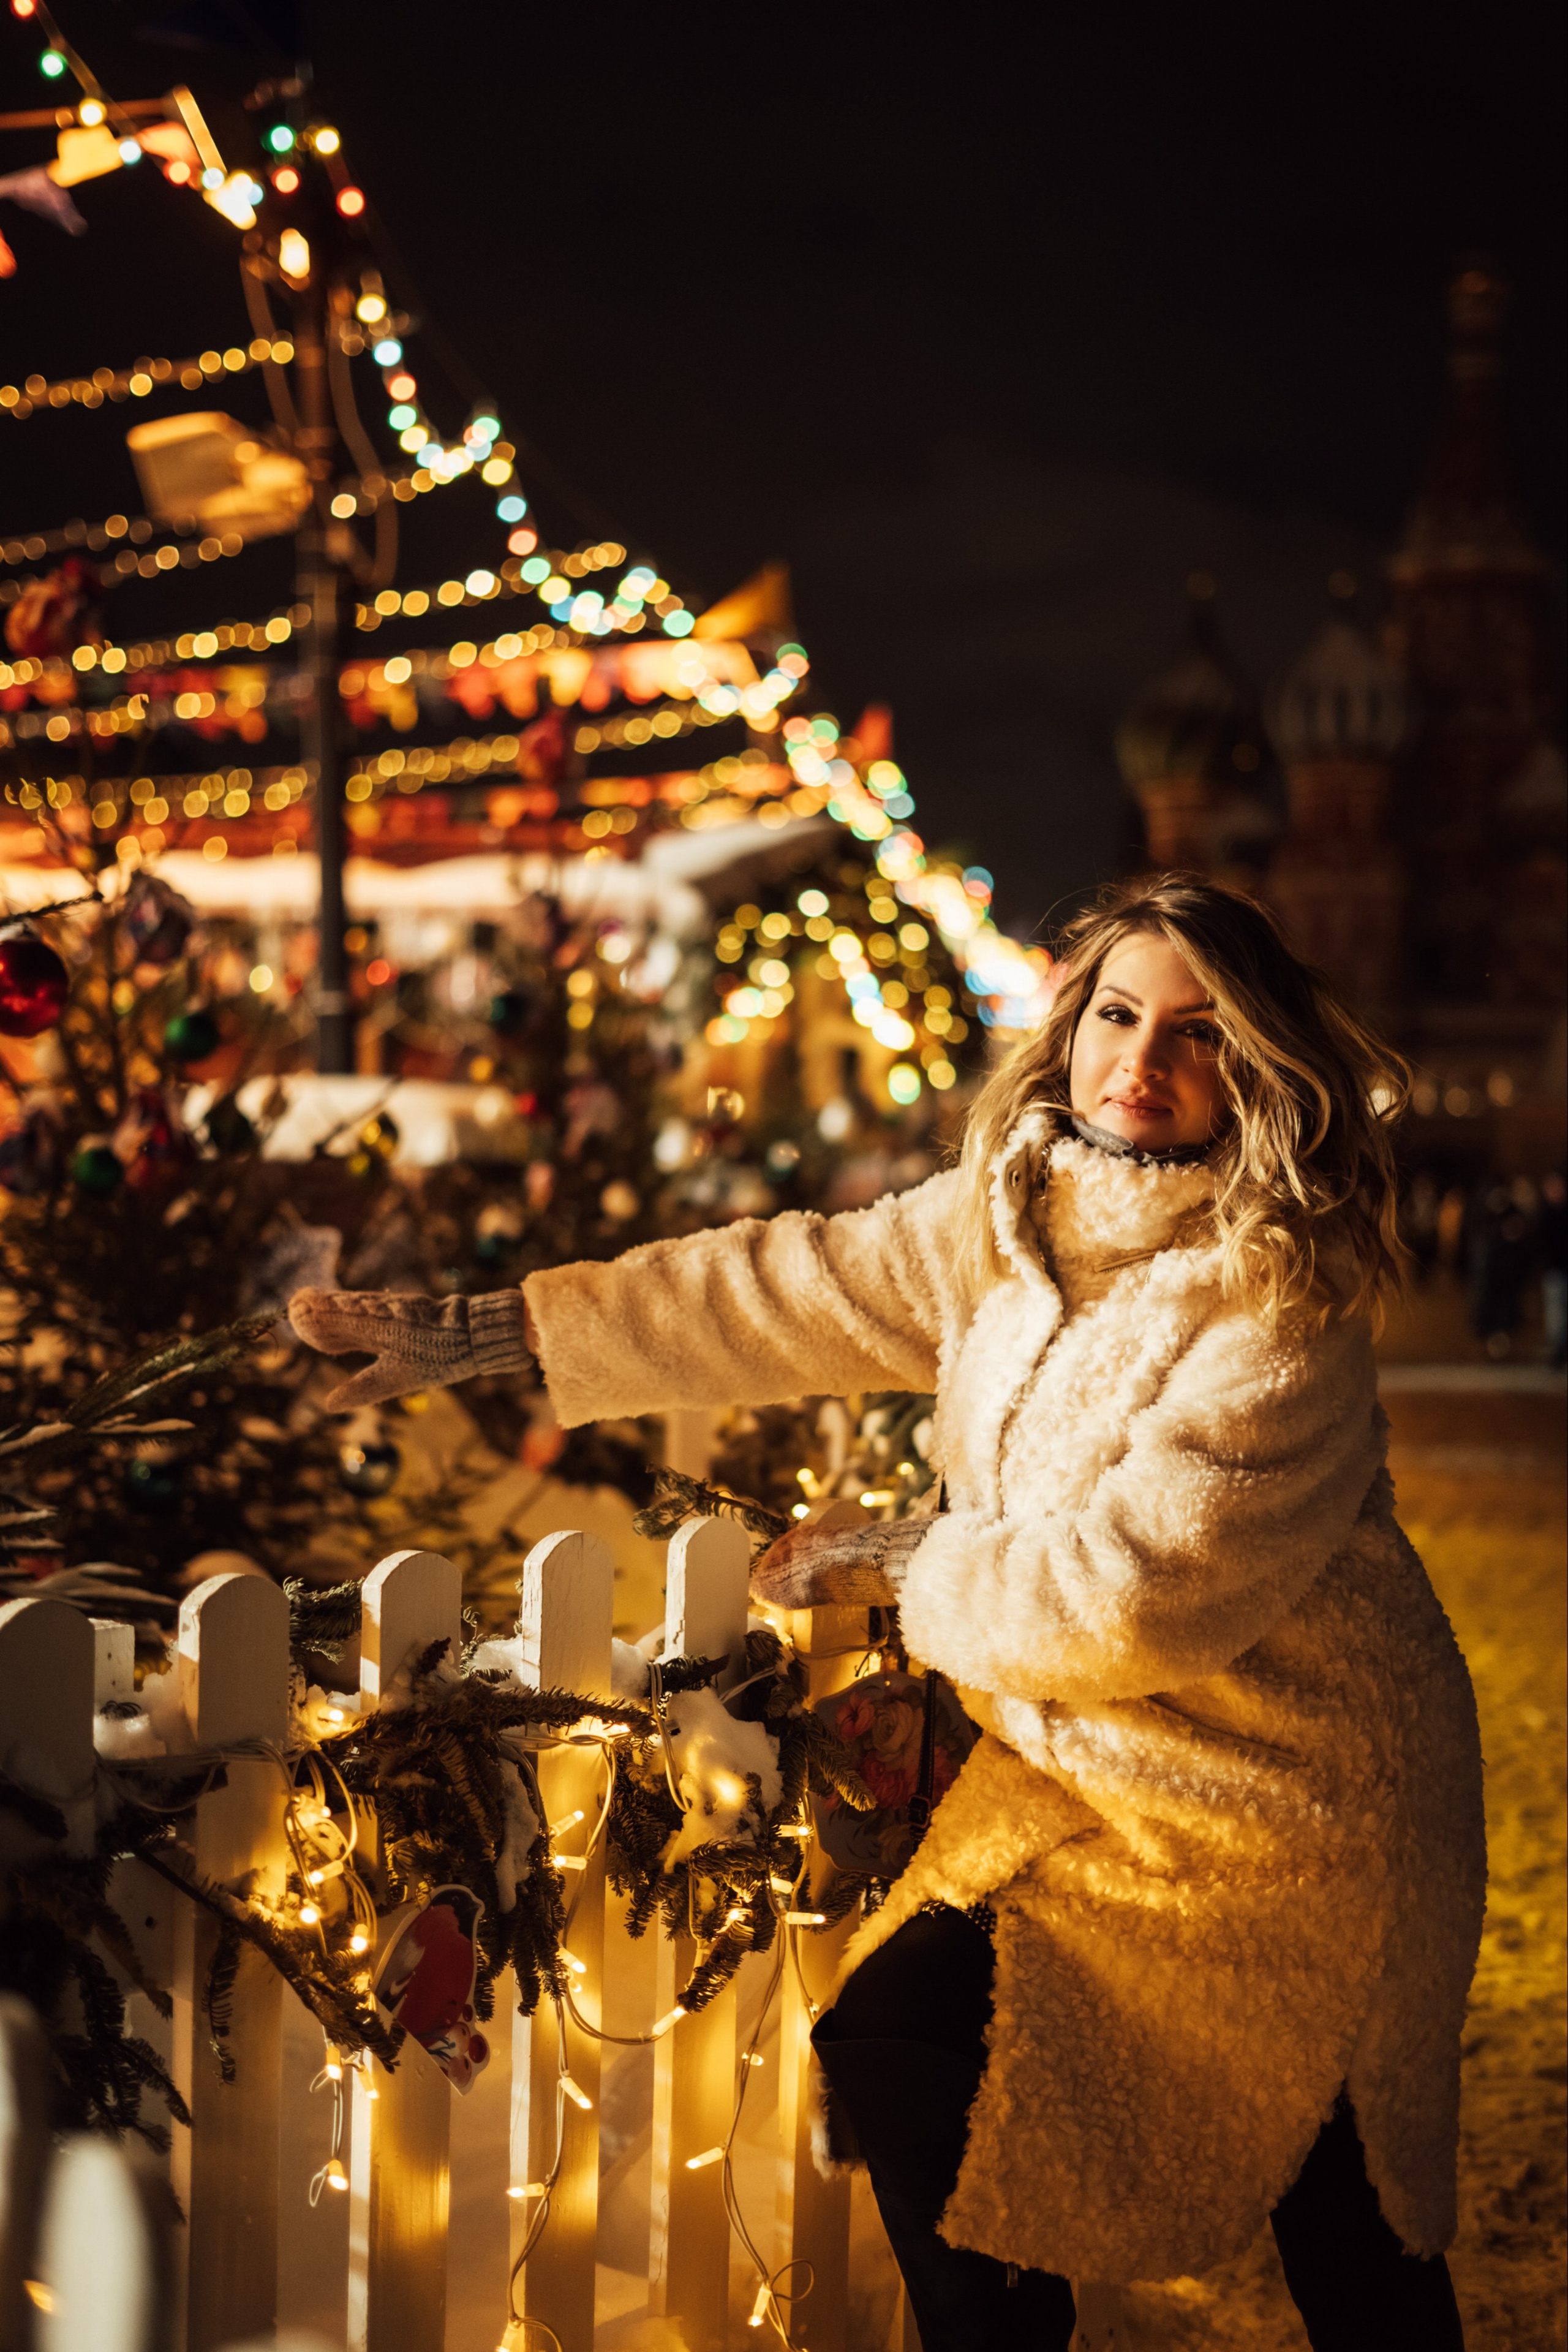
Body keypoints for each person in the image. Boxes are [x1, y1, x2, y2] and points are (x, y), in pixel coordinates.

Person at [292, 875, 1485, 2352]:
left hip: (1310, 1801)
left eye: (1199, 1035)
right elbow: (776, 1285)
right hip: (1094, 1784)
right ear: (1068, 1029)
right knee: (897, 2035)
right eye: (1117, 1013)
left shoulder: (1273, 1309)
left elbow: (1126, 1595)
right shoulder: (1006, 1223)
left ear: (1260, 1068)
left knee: (1345, 2209)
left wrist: (911, 1558)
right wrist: (496, 1330)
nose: (1141, 1064)